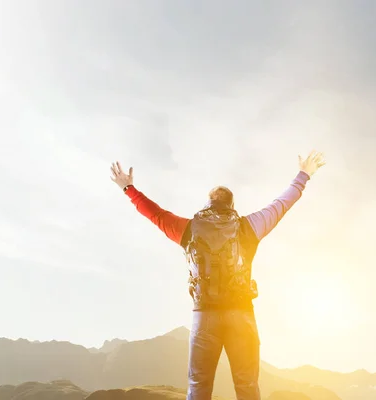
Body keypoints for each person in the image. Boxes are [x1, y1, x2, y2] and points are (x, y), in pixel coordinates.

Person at [110, 150, 326, 400]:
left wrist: (128, 188)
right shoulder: (249, 226)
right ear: (232, 206)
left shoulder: (188, 229)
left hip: (205, 318)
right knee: (247, 386)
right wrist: (303, 175)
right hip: (241, 316)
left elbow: (156, 215)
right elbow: (281, 205)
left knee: (199, 386)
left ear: (208, 203)